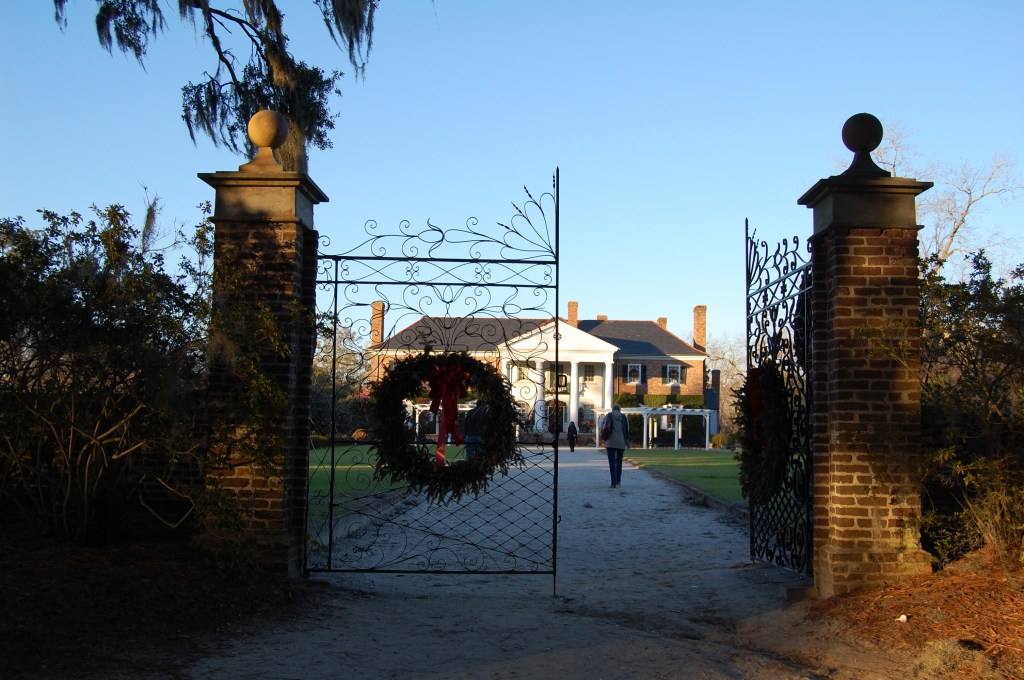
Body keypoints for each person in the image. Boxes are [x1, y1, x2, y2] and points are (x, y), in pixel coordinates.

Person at [602, 404, 629, 488]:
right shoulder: (624, 417)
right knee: (619, 462)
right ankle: (618, 480)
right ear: (619, 409)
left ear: (613, 409)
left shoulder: (609, 416)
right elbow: (627, 429)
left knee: (612, 462)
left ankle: (613, 482)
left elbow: (603, 426)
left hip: (610, 441)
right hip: (621, 442)